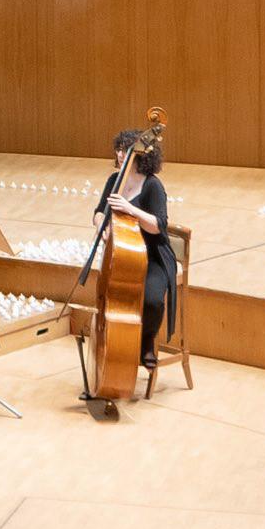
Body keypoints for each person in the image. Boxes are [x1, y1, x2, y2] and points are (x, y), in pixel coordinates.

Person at [96, 129, 178, 380]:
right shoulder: (114, 180)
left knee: (152, 300)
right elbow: (99, 212)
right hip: (122, 255)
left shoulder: (153, 185)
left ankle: (145, 344)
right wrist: (103, 228)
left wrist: (131, 209)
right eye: (119, 150)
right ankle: (115, 349)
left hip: (153, 255)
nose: (121, 155)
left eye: (127, 150)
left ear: (141, 155)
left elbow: (158, 225)